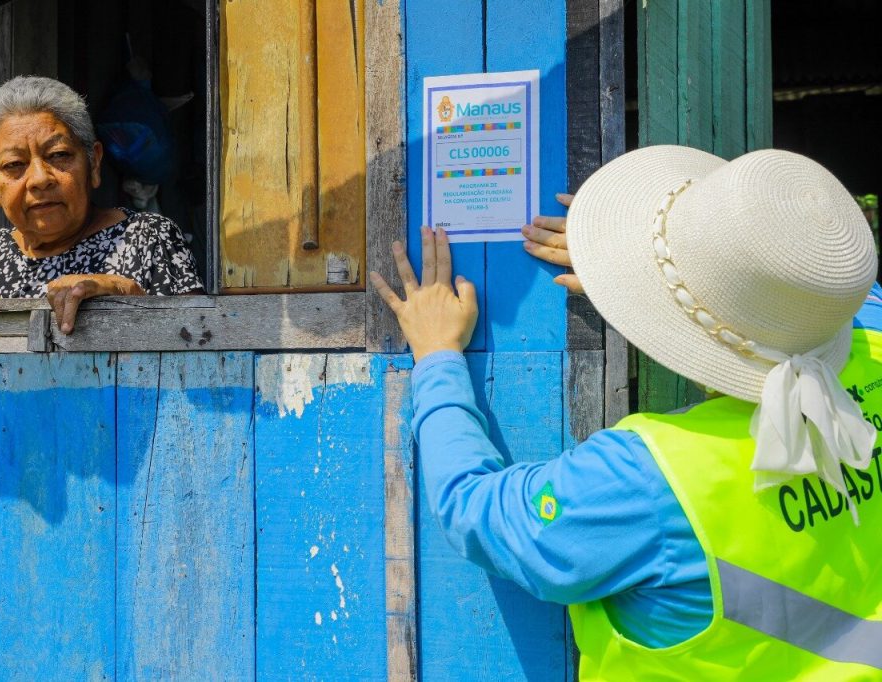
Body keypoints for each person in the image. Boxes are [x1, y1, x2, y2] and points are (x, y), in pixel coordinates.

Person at [370, 146, 882, 680]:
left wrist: (436, 357)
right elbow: (817, 286)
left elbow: (476, 509)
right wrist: (652, 274)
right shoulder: (873, 342)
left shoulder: (653, 478)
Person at [0, 76, 203, 334]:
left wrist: (125, 292)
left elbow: (203, 343)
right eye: (15, 164)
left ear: (93, 163)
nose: (40, 179)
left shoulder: (148, 237)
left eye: (58, 155)